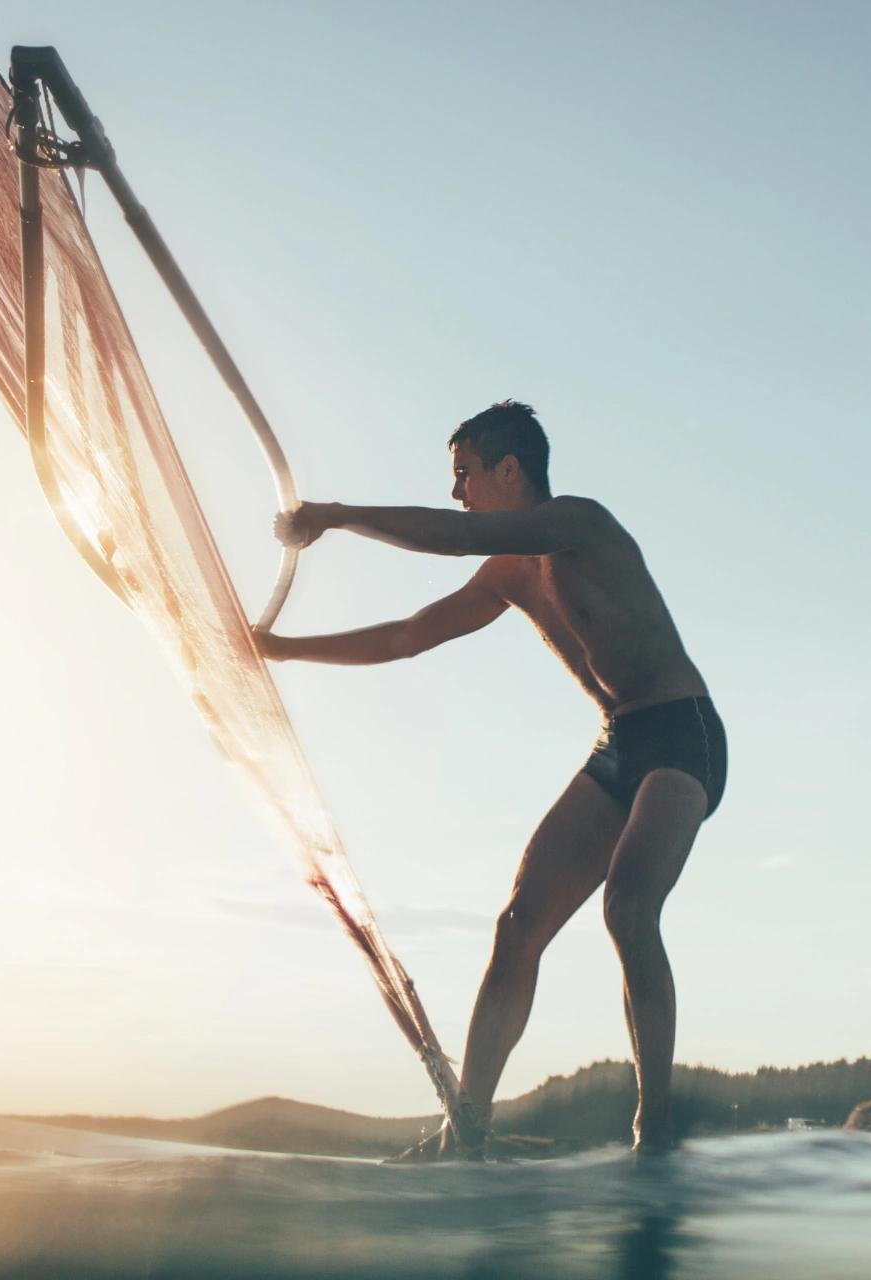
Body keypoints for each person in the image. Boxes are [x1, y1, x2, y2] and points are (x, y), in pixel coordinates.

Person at [255, 400, 726, 1158]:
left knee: (629, 906)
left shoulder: (580, 523)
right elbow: (409, 636)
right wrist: (280, 650)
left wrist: (335, 515)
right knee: (517, 927)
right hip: (618, 743)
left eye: (465, 473)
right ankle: (465, 1128)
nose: (458, 491)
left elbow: (458, 535)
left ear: (511, 470)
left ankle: (655, 1131)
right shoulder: (508, 574)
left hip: (682, 732)